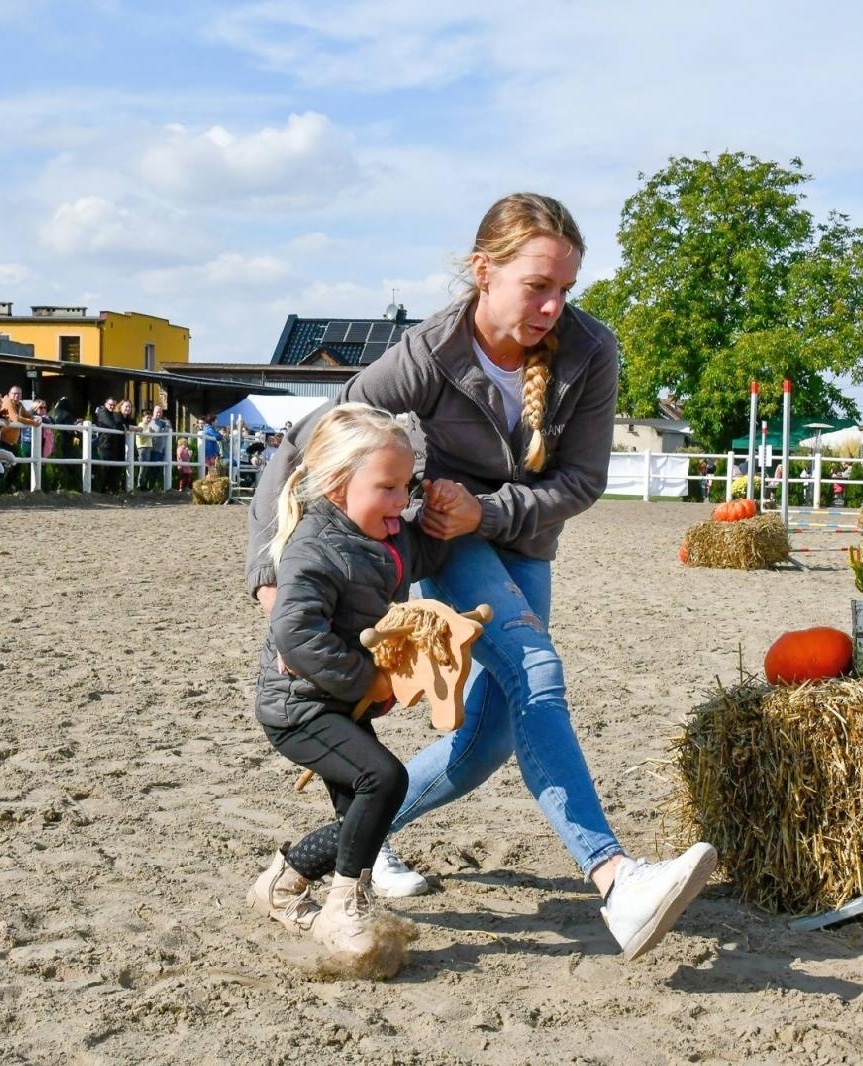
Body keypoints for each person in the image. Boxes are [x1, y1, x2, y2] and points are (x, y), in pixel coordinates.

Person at [248, 192, 716, 961]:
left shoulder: (591, 352)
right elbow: (304, 444)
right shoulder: (429, 352)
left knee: (487, 741)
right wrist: (267, 574)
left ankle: (331, 850)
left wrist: (490, 513)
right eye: (538, 285)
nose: (553, 304)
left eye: (566, 288)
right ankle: (617, 879)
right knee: (537, 667)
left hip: (518, 537)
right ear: (483, 271)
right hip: (440, 538)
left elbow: (582, 481)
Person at [248, 404, 449, 964]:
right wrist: (372, 678)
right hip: (299, 708)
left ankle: (280, 886)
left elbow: (424, 549)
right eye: (387, 487)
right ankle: (345, 907)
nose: (400, 502)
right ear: (338, 485)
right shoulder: (316, 546)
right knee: (383, 779)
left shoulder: (378, 535)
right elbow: (294, 631)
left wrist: (447, 512)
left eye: (405, 487)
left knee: (361, 817)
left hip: (339, 704)